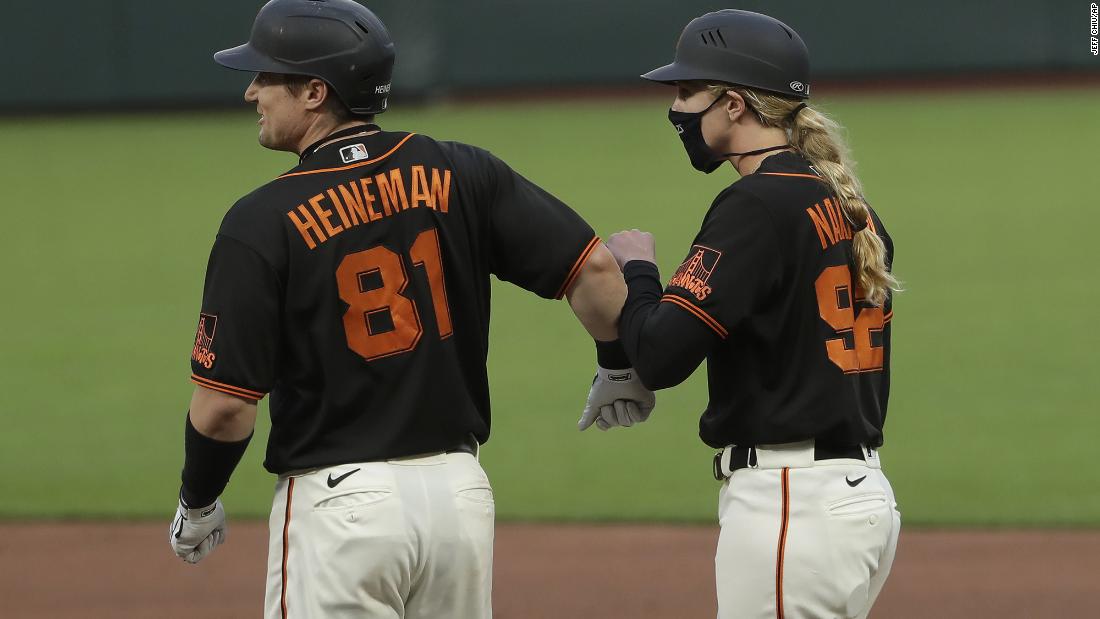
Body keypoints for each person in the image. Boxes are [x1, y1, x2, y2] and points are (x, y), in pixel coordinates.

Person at [166, 1, 653, 617]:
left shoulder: (261, 221)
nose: (252, 92)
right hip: (459, 503)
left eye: (265, 76)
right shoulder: (462, 170)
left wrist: (199, 500)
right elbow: (597, 269)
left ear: (316, 92)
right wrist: (617, 365)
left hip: (340, 511)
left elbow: (225, 409)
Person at [599, 9, 902, 619]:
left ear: (734, 104)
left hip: (793, 502)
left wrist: (635, 270)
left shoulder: (755, 206)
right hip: (859, 498)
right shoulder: (848, 206)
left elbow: (660, 354)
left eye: (688, 92)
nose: (677, 109)